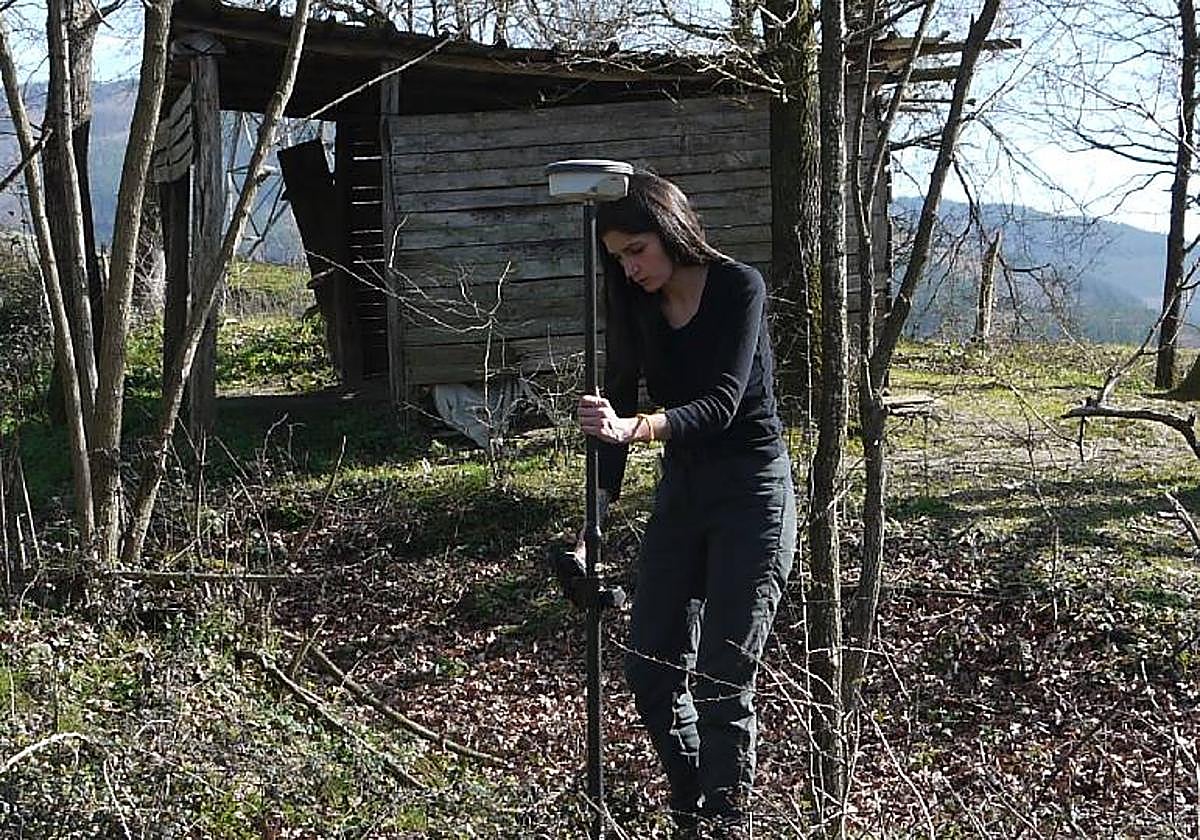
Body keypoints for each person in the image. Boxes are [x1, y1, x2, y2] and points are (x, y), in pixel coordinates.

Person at [575, 170, 797, 838]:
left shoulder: (738, 287)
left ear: (670, 229)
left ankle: (728, 823)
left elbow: (723, 403)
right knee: (649, 669)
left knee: (723, 679)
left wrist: (637, 427)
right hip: (683, 491)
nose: (630, 266)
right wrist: (591, 528)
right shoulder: (635, 306)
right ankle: (693, 806)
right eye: (617, 256)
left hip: (752, 490)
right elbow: (611, 411)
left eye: (636, 249)